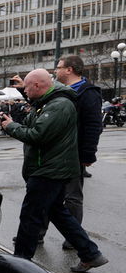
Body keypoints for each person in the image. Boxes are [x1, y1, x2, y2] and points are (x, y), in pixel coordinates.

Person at [0, 69, 108, 273]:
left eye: (27, 88)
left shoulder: (59, 105)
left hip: (48, 169)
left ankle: (20, 263)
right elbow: (35, 124)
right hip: (50, 167)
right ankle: (90, 253)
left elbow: (38, 134)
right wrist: (15, 121)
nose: (25, 91)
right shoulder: (49, 102)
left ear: (38, 86)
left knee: (30, 215)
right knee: (58, 213)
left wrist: (11, 126)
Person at [34, 55, 103, 250]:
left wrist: (88, 155)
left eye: (59, 67)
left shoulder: (88, 93)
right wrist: (26, 89)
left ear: (69, 69)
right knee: (47, 193)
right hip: (55, 152)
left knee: (72, 197)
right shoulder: (59, 91)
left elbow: (93, 126)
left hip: (74, 153)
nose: (56, 71)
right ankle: (37, 233)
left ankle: (73, 238)